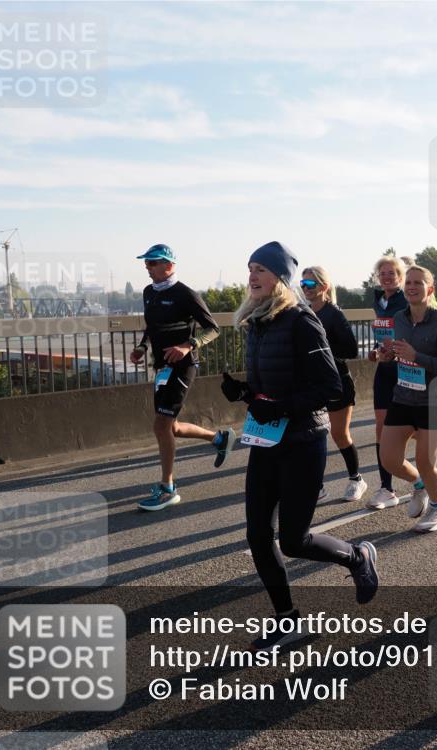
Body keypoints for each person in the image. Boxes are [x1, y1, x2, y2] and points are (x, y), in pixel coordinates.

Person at [220, 241, 378, 652]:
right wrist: (244, 393)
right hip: (267, 440)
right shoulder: (257, 321)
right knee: (257, 534)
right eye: (250, 268)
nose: (252, 276)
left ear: (280, 279)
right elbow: (268, 386)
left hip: (304, 439)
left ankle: (357, 556)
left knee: (294, 540)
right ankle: (287, 620)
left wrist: (281, 408)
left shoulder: (301, 321)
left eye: (261, 269)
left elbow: (330, 386)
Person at [129, 244, 233, 511]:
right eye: (147, 263)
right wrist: (142, 347)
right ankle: (219, 439)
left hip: (184, 366)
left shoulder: (186, 294)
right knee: (170, 427)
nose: (147, 267)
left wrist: (188, 345)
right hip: (162, 368)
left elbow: (214, 329)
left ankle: (168, 488)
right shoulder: (149, 292)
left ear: (169, 265)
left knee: (161, 426)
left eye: (152, 263)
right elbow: (151, 327)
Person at [378, 266, 437, 532]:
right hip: (403, 397)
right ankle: (419, 485)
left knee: (425, 462)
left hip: (434, 402)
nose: (412, 287)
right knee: (388, 459)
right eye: (409, 283)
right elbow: (399, 353)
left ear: (430, 289)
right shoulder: (399, 319)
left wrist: (417, 357)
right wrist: (388, 355)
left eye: (418, 283)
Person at [301, 267, 366, 502]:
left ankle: (356, 479)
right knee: (312, 435)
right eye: (303, 284)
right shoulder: (303, 313)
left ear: (324, 287)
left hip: (337, 382)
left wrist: (324, 352)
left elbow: (352, 349)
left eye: (310, 284)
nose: (305, 289)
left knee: (339, 434)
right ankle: (317, 486)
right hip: (312, 384)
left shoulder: (334, 314)